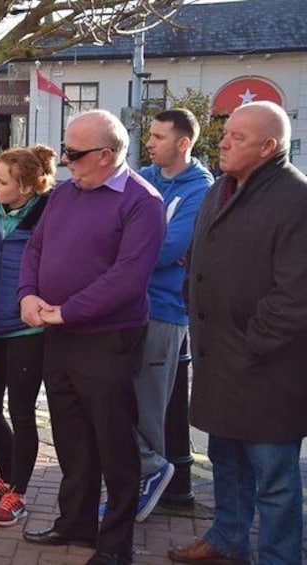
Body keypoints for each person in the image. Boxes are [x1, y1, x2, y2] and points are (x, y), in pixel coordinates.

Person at [19, 110, 165, 565]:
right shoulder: (65, 193)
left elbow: (128, 278)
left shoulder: (142, 201)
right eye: (66, 149)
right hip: (59, 333)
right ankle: (75, 524)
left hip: (107, 337)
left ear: (106, 155)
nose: (64, 160)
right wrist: (27, 296)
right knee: (70, 433)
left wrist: (66, 311)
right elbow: (35, 247)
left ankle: (114, 544)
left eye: (74, 153)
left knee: (113, 440)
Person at [169, 102, 307, 565]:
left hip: (268, 370)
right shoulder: (221, 189)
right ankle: (227, 538)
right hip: (219, 361)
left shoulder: (296, 198)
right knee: (226, 464)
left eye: (238, 138)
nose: (224, 142)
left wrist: (252, 346)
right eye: (225, 133)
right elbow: (199, 259)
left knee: (276, 481)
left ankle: (279, 557)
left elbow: (296, 295)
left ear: (269, 147)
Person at [130, 108, 213, 522]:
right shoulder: (142, 176)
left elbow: (169, 249)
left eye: (159, 137)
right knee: (110, 397)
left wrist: (125, 252)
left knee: (148, 407)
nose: (149, 142)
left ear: (183, 143)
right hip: (124, 305)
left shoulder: (200, 188)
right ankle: (140, 475)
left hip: (163, 310)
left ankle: (151, 480)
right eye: (150, 135)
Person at [0, 145, 54, 528]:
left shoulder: (49, 216)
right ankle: (7, 478)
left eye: (3, 182)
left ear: (28, 187)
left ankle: (18, 494)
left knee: (21, 413)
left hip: (28, 330)